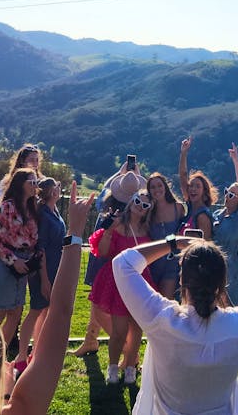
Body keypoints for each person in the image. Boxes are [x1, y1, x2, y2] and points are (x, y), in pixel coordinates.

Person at [113, 237, 238, 415]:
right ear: (222, 282)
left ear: (182, 279)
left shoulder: (162, 319)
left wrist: (174, 243)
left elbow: (123, 263)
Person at [0, 181, 94, 414]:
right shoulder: (19, 409)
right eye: (5, 363)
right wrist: (76, 232)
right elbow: (61, 313)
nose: (10, 367)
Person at [73, 163, 146, 357]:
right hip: (114, 258)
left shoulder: (108, 204)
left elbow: (105, 189)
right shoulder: (135, 210)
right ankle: (92, 339)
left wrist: (120, 173)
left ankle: (112, 344)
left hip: (105, 256)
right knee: (108, 304)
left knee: (100, 302)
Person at [88, 188, 154, 385]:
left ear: (149, 209)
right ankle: (113, 367)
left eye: (145, 205)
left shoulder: (147, 230)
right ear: (131, 201)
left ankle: (131, 368)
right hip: (117, 279)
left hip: (140, 280)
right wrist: (108, 231)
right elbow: (102, 251)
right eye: (137, 201)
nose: (140, 207)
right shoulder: (117, 226)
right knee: (119, 330)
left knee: (136, 329)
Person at [15, 178, 66, 376]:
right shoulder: (43, 214)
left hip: (54, 267)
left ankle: (36, 353)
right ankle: (21, 356)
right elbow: (40, 247)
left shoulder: (55, 211)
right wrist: (44, 279)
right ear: (52, 191)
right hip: (42, 270)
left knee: (44, 311)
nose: (59, 191)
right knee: (36, 309)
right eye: (58, 188)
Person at [0, 170, 39, 346]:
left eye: (36, 182)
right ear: (20, 184)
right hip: (7, 262)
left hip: (25, 264)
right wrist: (14, 261)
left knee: (15, 312)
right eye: (31, 182)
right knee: (1, 311)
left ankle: (2, 358)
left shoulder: (32, 207)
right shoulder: (6, 207)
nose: (35, 185)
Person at [213, 146, 238, 306]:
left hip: (231, 271)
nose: (227, 197)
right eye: (226, 192)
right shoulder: (217, 215)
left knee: (230, 308)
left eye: (232, 195)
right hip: (214, 265)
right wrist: (235, 159)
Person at [147, 173, 185, 298]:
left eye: (159, 185)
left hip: (172, 264)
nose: (157, 189)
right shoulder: (148, 211)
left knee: (166, 303)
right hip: (152, 263)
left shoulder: (178, 208)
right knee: (150, 303)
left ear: (165, 186)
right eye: (153, 187)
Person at [178, 137, 218, 239]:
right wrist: (183, 153)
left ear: (204, 192)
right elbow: (183, 176)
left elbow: (205, 244)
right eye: (191, 186)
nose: (193, 189)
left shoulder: (203, 216)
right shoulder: (191, 208)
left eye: (197, 186)